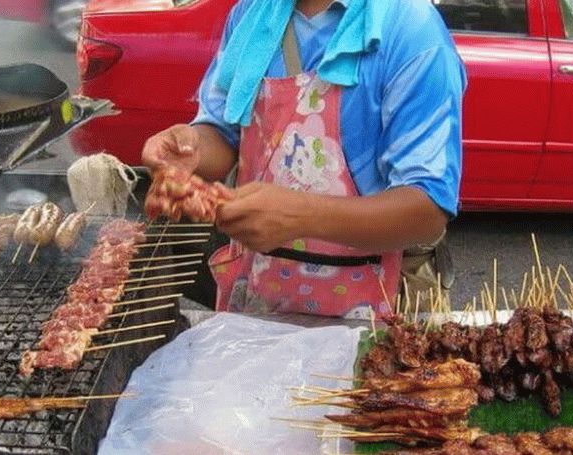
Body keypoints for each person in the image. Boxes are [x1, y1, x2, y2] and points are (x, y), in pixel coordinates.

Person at [142, 0, 467, 318]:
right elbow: (223, 135)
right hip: (258, 303)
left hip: (369, 315)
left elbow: (427, 208)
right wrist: (191, 149)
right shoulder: (251, 15)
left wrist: (299, 216)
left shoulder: (410, 29)